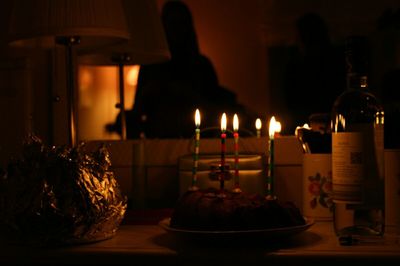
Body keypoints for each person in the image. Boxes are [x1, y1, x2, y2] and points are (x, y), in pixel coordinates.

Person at [107, 0, 252, 139]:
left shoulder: (201, 65)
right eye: (171, 24)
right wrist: (150, 93)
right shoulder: (151, 65)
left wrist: (187, 94)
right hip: (159, 140)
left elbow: (216, 108)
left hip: (197, 138)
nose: (176, 31)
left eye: (181, 24)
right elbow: (138, 109)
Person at [282, 13, 345, 134]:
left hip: (328, 125)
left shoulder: (332, 64)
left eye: (298, 36)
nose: (296, 40)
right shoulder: (294, 67)